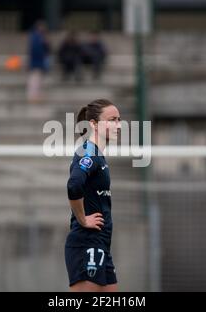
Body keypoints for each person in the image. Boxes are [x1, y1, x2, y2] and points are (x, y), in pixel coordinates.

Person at [65, 99, 122, 292]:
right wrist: (82, 219)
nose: (118, 125)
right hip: (86, 242)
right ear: (94, 124)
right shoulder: (88, 152)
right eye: (112, 119)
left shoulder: (97, 154)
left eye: (119, 120)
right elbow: (74, 185)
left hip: (100, 244)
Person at [26, 20, 50, 102]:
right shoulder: (35, 37)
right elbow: (36, 50)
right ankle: (33, 96)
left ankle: (37, 95)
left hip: (40, 62)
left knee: (39, 79)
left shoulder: (41, 37)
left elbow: (47, 49)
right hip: (36, 62)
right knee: (35, 79)